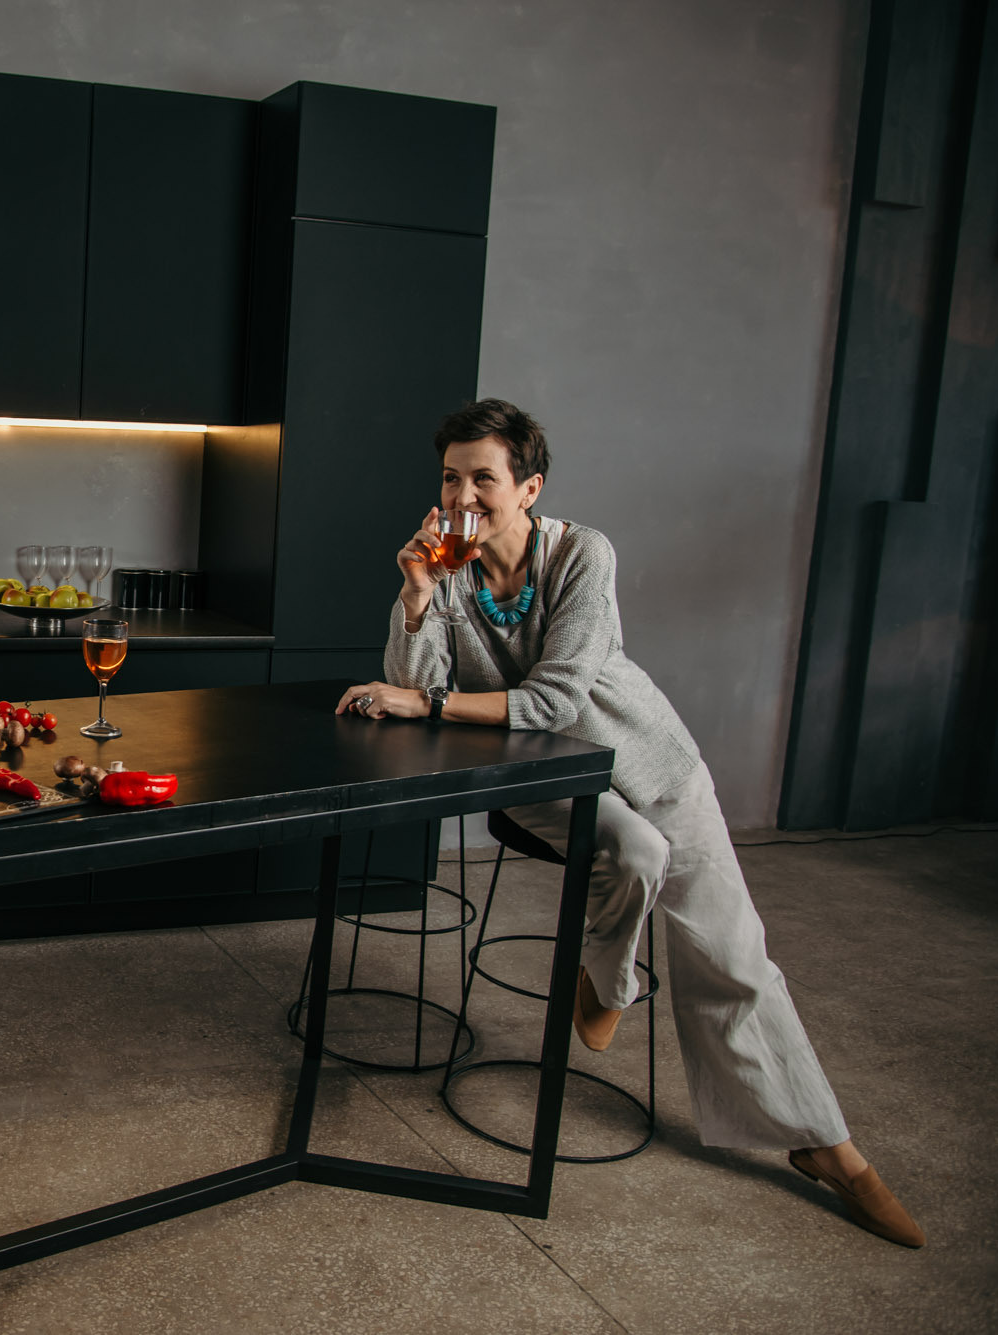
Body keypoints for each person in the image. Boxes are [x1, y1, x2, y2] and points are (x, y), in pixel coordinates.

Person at [334, 398, 924, 1249]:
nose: (464, 495)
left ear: (529, 487)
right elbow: (410, 689)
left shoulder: (583, 555)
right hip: (535, 773)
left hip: (650, 762)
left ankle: (828, 1147)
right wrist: (418, 594)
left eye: (484, 479)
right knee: (634, 851)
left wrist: (423, 696)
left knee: (736, 959)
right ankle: (611, 981)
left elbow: (553, 698)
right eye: (451, 477)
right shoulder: (445, 564)